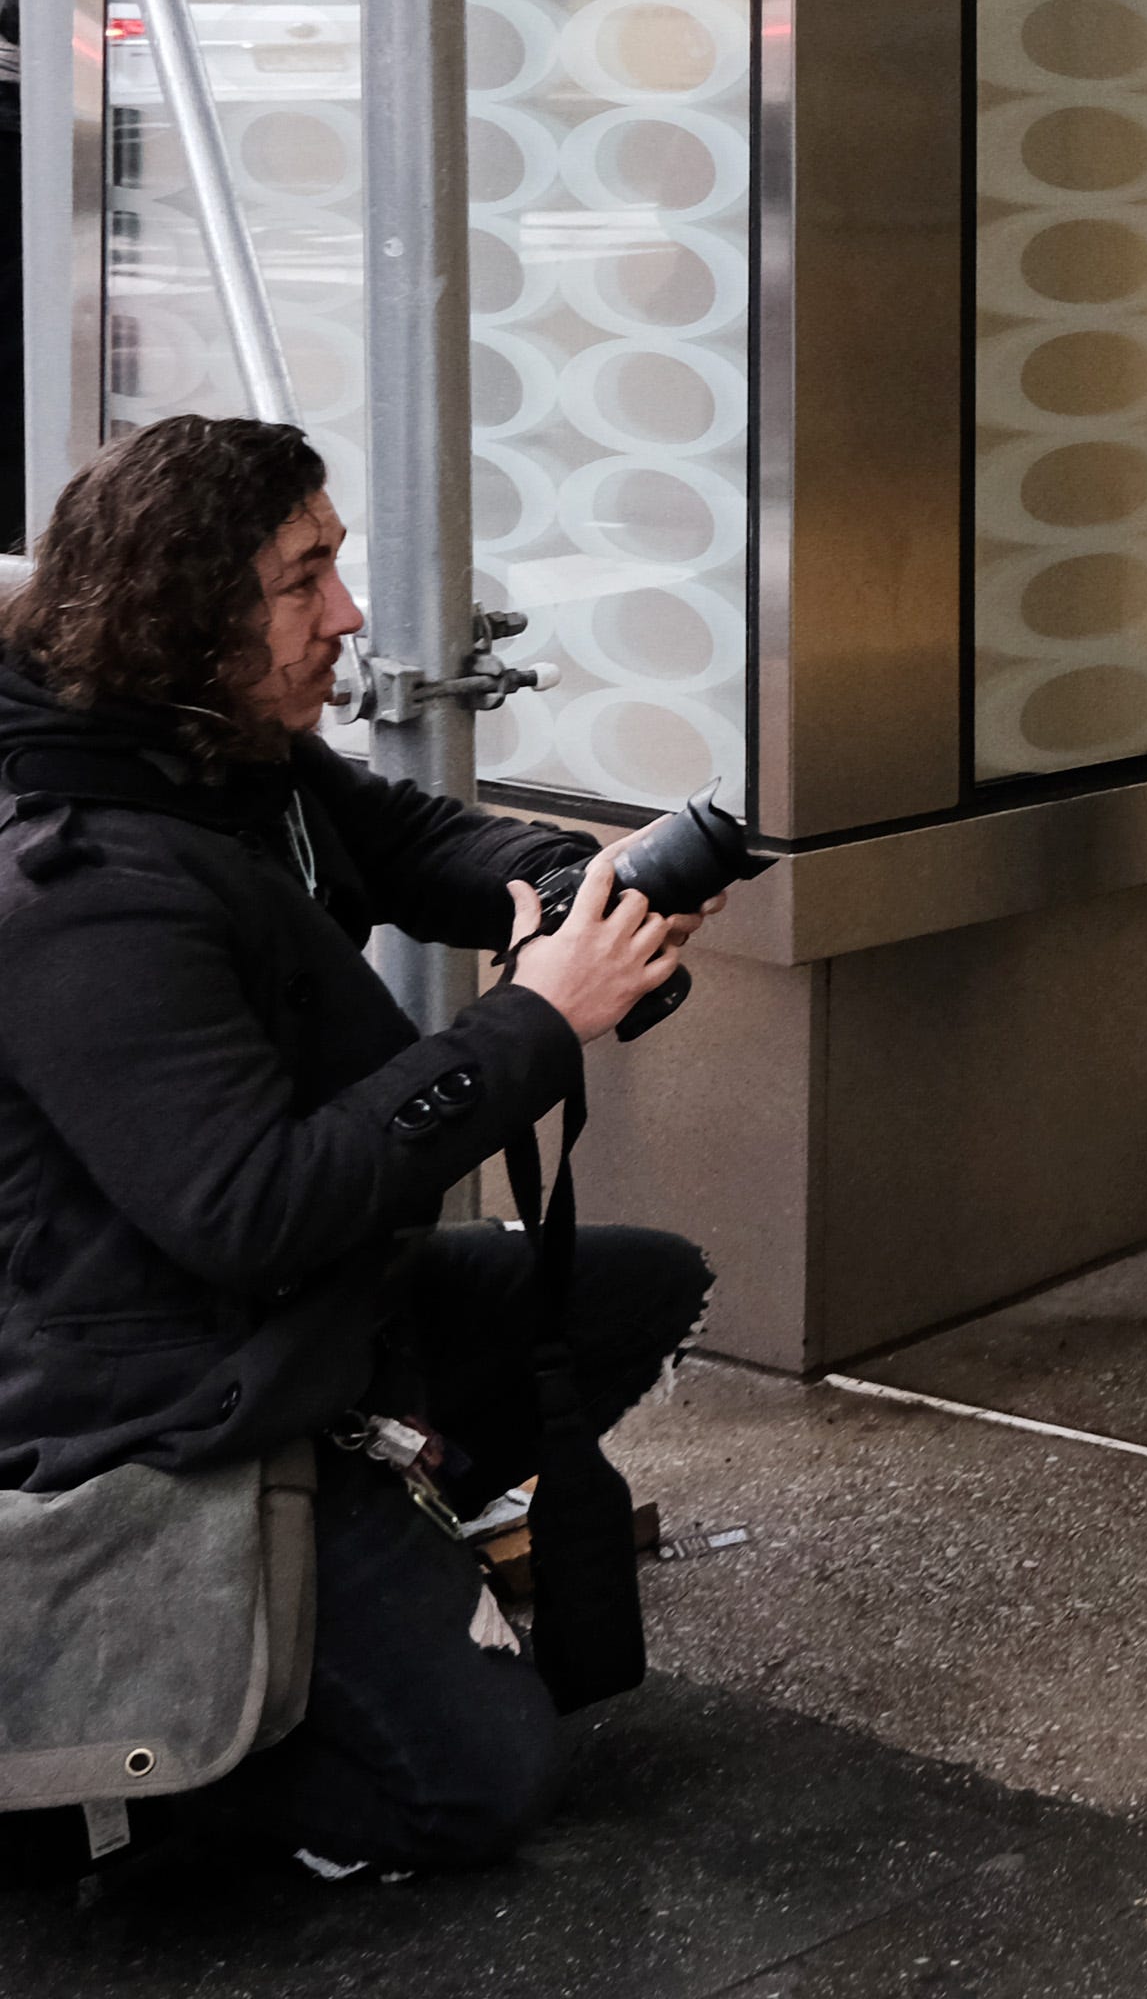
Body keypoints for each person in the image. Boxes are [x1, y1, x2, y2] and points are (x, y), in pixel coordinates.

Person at [0, 414, 712, 1880]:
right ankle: (130, 1752)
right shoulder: (82, 882)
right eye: (303, 577)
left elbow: (422, 842)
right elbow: (253, 1210)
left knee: (624, 1293)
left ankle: (360, 1549)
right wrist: (534, 1025)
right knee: (483, 1785)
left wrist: (591, 895)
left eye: (338, 562)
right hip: (164, 1396)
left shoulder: (228, 754)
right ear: (187, 616)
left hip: (298, 1329)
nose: (349, 613)